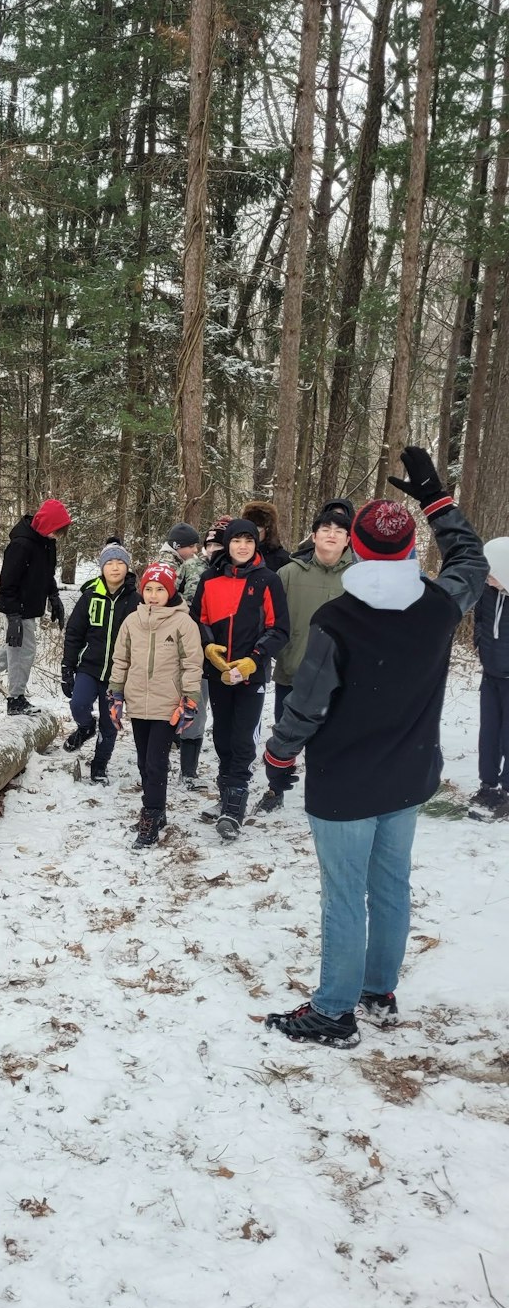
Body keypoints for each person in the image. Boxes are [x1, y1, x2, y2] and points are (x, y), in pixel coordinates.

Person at [262, 448, 487, 1048]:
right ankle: (378, 988)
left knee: (344, 896)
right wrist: (435, 496)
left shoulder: (339, 619)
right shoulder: (441, 603)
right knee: (390, 884)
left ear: (357, 549)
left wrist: (279, 755)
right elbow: (469, 555)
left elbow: (306, 706)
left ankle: (335, 1011)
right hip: (409, 776)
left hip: (344, 783)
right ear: (411, 549)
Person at [190, 517, 289, 839]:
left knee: (243, 738)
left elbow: (279, 629)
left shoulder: (267, 581)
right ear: (228, 544)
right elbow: (198, 620)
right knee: (222, 736)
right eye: (236, 540)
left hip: (252, 674)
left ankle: (234, 808)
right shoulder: (209, 579)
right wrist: (209, 650)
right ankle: (225, 795)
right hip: (218, 672)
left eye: (248, 540)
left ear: (255, 544)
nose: (242, 546)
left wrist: (254, 659)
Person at [259, 502, 354, 811]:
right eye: (325, 529)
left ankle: (326, 792)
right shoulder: (288, 573)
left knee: (332, 738)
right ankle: (276, 789)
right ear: (313, 537)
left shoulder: (360, 577)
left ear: (348, 540)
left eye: (339, 531)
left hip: (341, 678)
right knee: (285, 734)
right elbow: (271, 620)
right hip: (293, 671)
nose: (332, 535)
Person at [108, 562, 203, 846]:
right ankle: (158, 810)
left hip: (168, 704)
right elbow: (121, 659)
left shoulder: (183, 622)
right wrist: (116, 692)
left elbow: (192, 663)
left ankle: (149, 816)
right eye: (148, 589)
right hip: (138, 701)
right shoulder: (132, 621)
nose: (152, 595)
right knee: (142, 760)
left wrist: (190, 698)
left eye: (159, 589)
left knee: (155, 761)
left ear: (170, 592)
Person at [0, 498, 71, 716]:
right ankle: (15, 699)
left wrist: (53, 596)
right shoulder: (21, 545)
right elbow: (7, 583)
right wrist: (13, 616)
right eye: (55, 531)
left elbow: (47, 573)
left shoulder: (47, 543)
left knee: (16, 650)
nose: (56, 536)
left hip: (31, 605)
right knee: (24, 652)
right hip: (18, 606)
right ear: (45, 524)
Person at [60, 542, 139, 783]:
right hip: (90, 668)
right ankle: (85, 727)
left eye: (120, 563)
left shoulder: (136, 601)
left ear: (127, 567)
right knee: (78, 705)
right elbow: (74, 633)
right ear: (102, 568)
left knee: (110, 722)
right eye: (109, 563)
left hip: (118, 675)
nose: (115, 568)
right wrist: (67, 666)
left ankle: (100, 765)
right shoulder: (90, 596)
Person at [174, 519, 225, 788]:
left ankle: (230, 769)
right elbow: (172, 596)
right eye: (210, 544)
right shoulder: (190, 566)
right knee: (195, 708)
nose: (214, 549)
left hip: (225, 648)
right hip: (192, 647)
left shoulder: (233, 572)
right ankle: (187, 770)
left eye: (220, 544)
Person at [471, 535, 509, 818]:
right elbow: (480, 621)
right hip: (491, 673)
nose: (488, 577)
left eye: (492, 571)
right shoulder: (487, 591)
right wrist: (479, 645)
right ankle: (488, 784)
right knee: (489, 732)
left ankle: (506, 790)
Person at [241, 498, 292, 572]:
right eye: (248, 528)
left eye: (257, 528)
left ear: (268, 529)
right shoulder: (238, 554)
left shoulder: (283, 560)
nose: (252, 533)